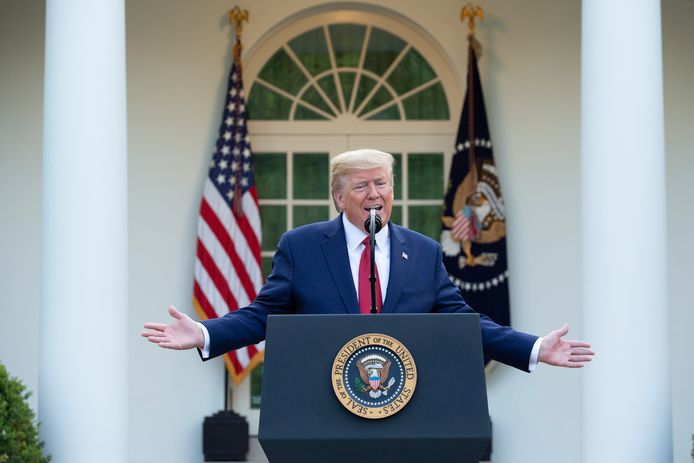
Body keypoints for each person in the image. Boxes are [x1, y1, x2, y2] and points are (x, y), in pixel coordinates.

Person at [142, 149, 593, 372]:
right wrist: (203, 332)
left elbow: (463, 320)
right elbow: (263, 315)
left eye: (382, 184)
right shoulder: (302, 246)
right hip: (323, 407)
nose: (374, 194)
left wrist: (533, 348)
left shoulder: (423, 251)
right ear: (339, 197)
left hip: (404, 406)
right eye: (361, 186)